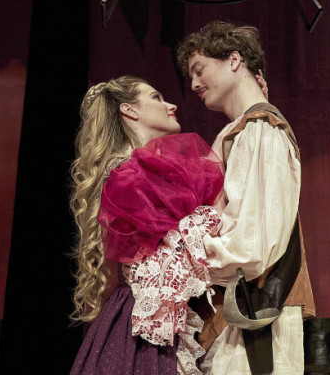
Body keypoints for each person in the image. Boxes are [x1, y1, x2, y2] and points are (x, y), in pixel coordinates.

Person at [176, 21, 315, 375]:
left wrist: (183, 261)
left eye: (199, 69)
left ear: (234, 60)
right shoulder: (242, 132)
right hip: (234, 314)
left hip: (253, 316)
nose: (193, 84)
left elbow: (251, 247)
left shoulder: (261, 130)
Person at [69, 76, 225, 375]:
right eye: (156, 97)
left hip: (156, 312)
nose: (171, 104)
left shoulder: (148, 170)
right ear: (129, 110)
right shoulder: (127, 175)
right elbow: (186, 239)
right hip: (143, 319)